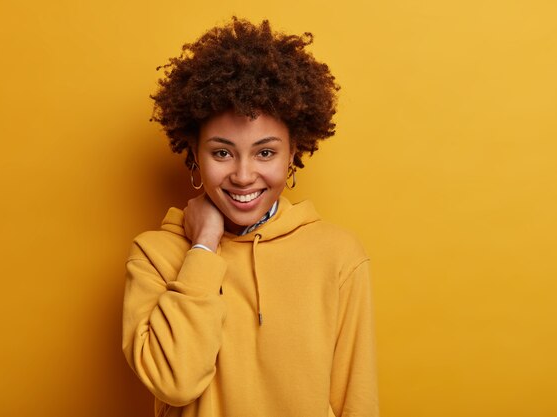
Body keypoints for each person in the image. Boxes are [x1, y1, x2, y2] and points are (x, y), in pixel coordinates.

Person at [122, 17, 379, 417]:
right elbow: (175, 383)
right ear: (194, 152)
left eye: (265, 152)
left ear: (293, 152)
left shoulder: (338, 255)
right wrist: (204, 247)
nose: (243, 175)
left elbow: (355, 401)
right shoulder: (154, 255)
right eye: (222, 152)